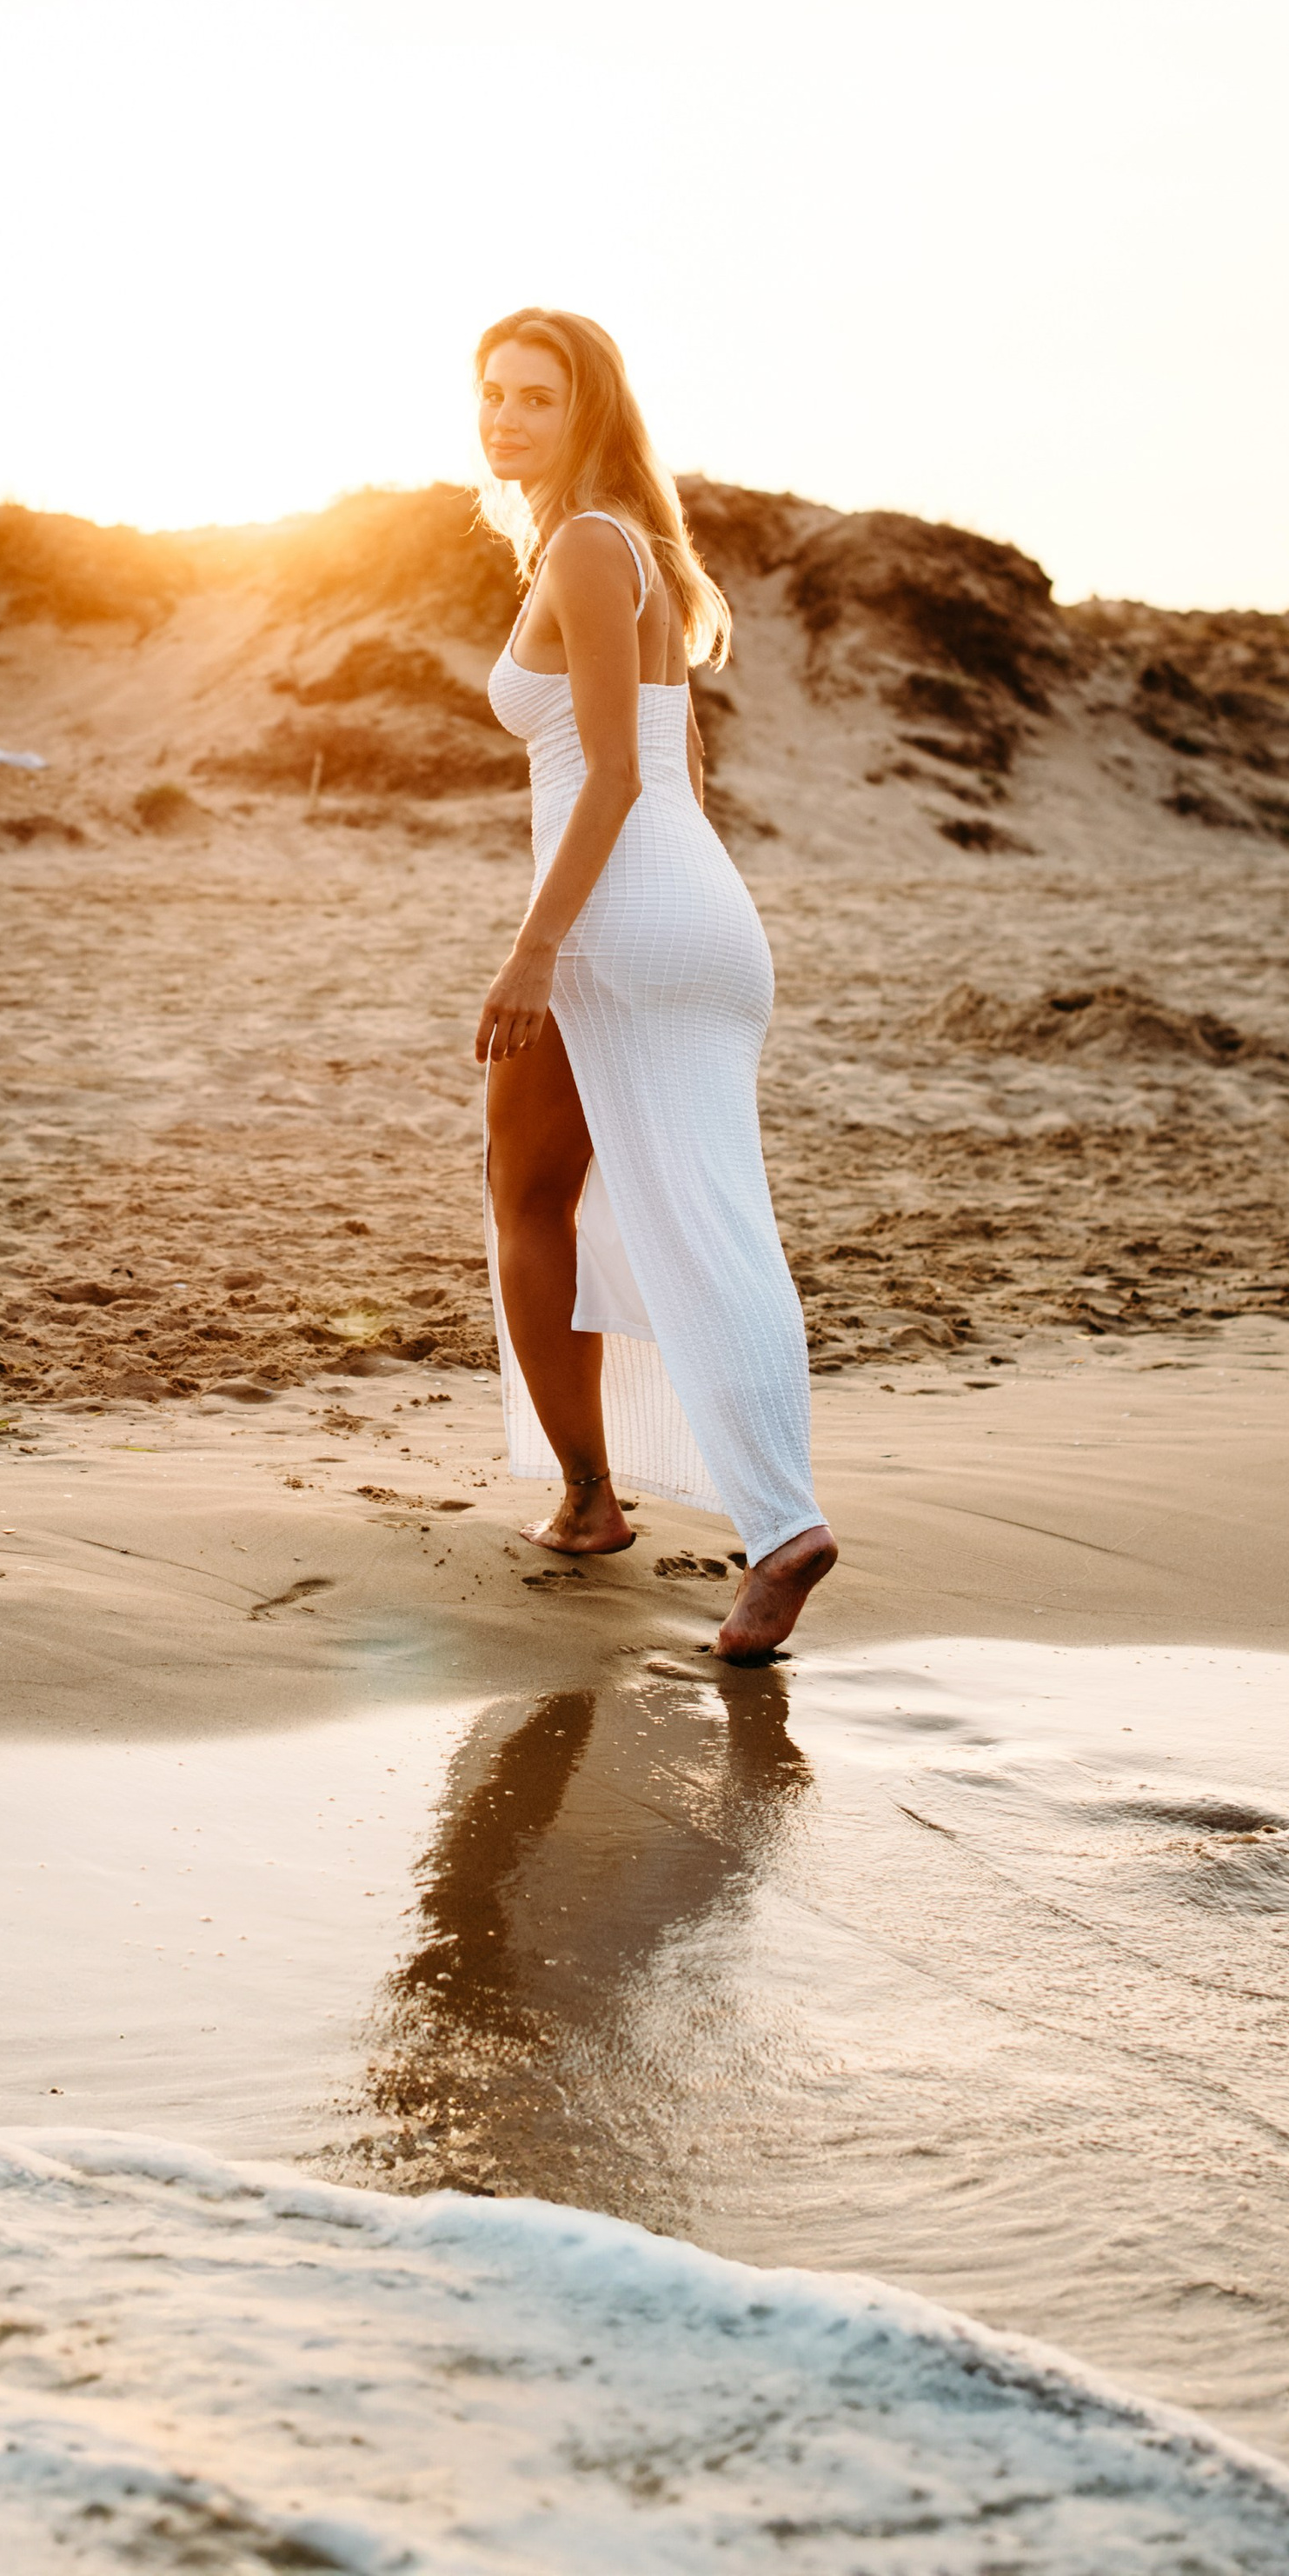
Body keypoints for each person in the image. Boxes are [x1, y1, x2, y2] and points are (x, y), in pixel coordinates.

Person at [473, 308, 837, 1661]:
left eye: (535, 398)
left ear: (591, 411)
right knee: (703, 1213)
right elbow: (681, 773)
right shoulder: (638, 546)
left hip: (624, 909)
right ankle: (706, 1507)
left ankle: (620, 1504)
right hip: (696, 909)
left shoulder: (584, 542)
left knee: (534, 1196)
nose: (506, 419)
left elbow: (618, 776)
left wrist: (536, 949)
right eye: (492, 396)